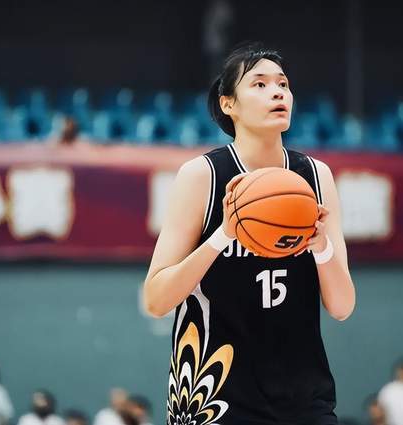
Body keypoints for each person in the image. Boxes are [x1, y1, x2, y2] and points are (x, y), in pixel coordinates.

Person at [142, 42, 356, 425]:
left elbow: (342, 307)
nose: (277, 92)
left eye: (283, 84)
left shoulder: (315, 177)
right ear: (229, 104)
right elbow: (156, 300)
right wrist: (224, 234)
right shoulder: (202, 177)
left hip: (302, 398)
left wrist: (321, 245)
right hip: (214, 397)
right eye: (259, 84)